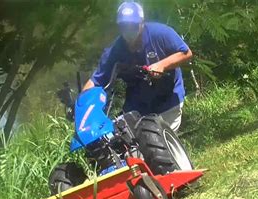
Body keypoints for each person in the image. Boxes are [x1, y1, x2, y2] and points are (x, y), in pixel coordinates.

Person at [83, 1, 193, 132]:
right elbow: (95, 82)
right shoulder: (115, 51)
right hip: (136, 106)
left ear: (141, 22)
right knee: (125, 143)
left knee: (157, 141)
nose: (128, 30)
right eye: (124, 26)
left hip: (168, 101)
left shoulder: (160, 33)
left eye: (133, 26)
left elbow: (186, 53)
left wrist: (162, 65)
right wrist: (81, 106)